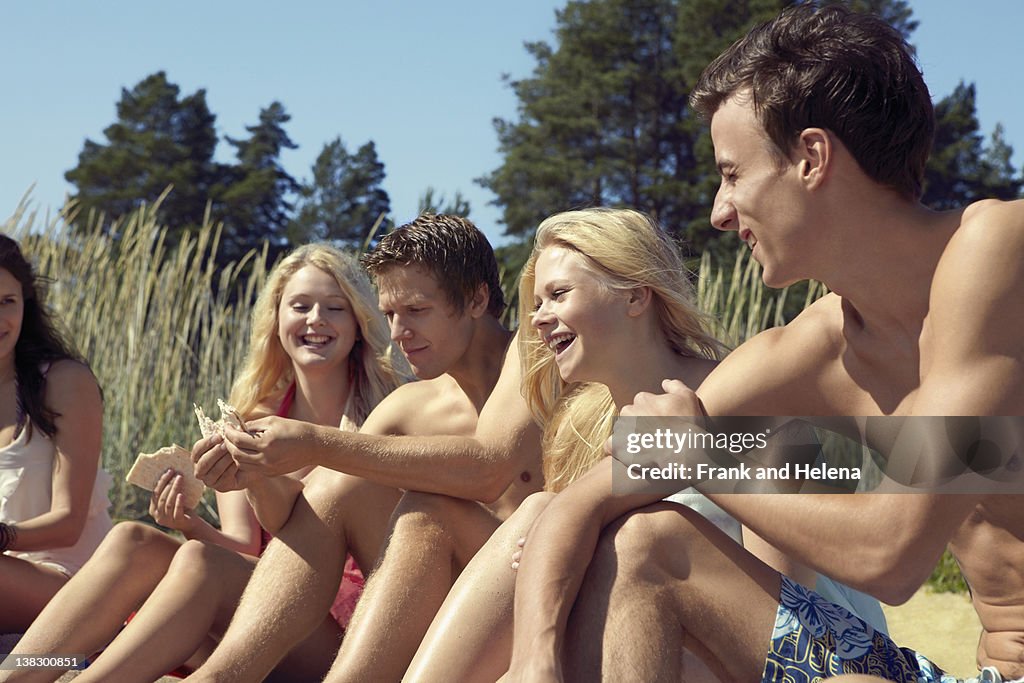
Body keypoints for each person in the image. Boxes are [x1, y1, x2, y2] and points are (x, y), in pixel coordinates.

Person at [505, 5, 1024, 682]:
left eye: (732, 173)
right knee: (646, 541)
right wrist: (534, 659)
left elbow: (892, 555)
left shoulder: (996, 252)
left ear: (811, 157)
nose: (719, 211)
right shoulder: (812, 351)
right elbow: (586, 496)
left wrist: (706, 453)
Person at [401, 207, 891, 683]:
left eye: (558, 295)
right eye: (536, 304)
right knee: (530, 516)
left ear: (635, 296)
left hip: (809, 653)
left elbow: (784, 606)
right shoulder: (588, 427)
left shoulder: (748, 399)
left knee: (561, 529)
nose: (538, 320)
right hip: (662, 636)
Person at [0, 243, 407, 683]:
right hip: (258, 605)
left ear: (359, 322)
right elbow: (243, 551)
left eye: (335, 307)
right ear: (277, 320)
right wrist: (190, 523)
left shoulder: (388, 415)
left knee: (202, 563)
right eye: (300, 306)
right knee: (134, 539)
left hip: (345, 630)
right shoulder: (246, 420)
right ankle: (18, 678)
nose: (316, 320)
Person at [183, 214, 544, 683]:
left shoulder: (534, 354)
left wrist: (316, 442)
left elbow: (489, 469)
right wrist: (257, 476)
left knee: (423, 508)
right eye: (390, 314)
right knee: (342, 483)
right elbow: (311, 519)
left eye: (415, 310)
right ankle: (221, 678)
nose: (398, 333)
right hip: (449, 599)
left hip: (530, 590)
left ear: (476, 299)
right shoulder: (408, 404)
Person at [0, 234, 109, 634]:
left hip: (71, 583)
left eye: (6, 302)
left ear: (25, 303)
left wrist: (2, 537)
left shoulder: (64, 382)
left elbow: (68, 523)